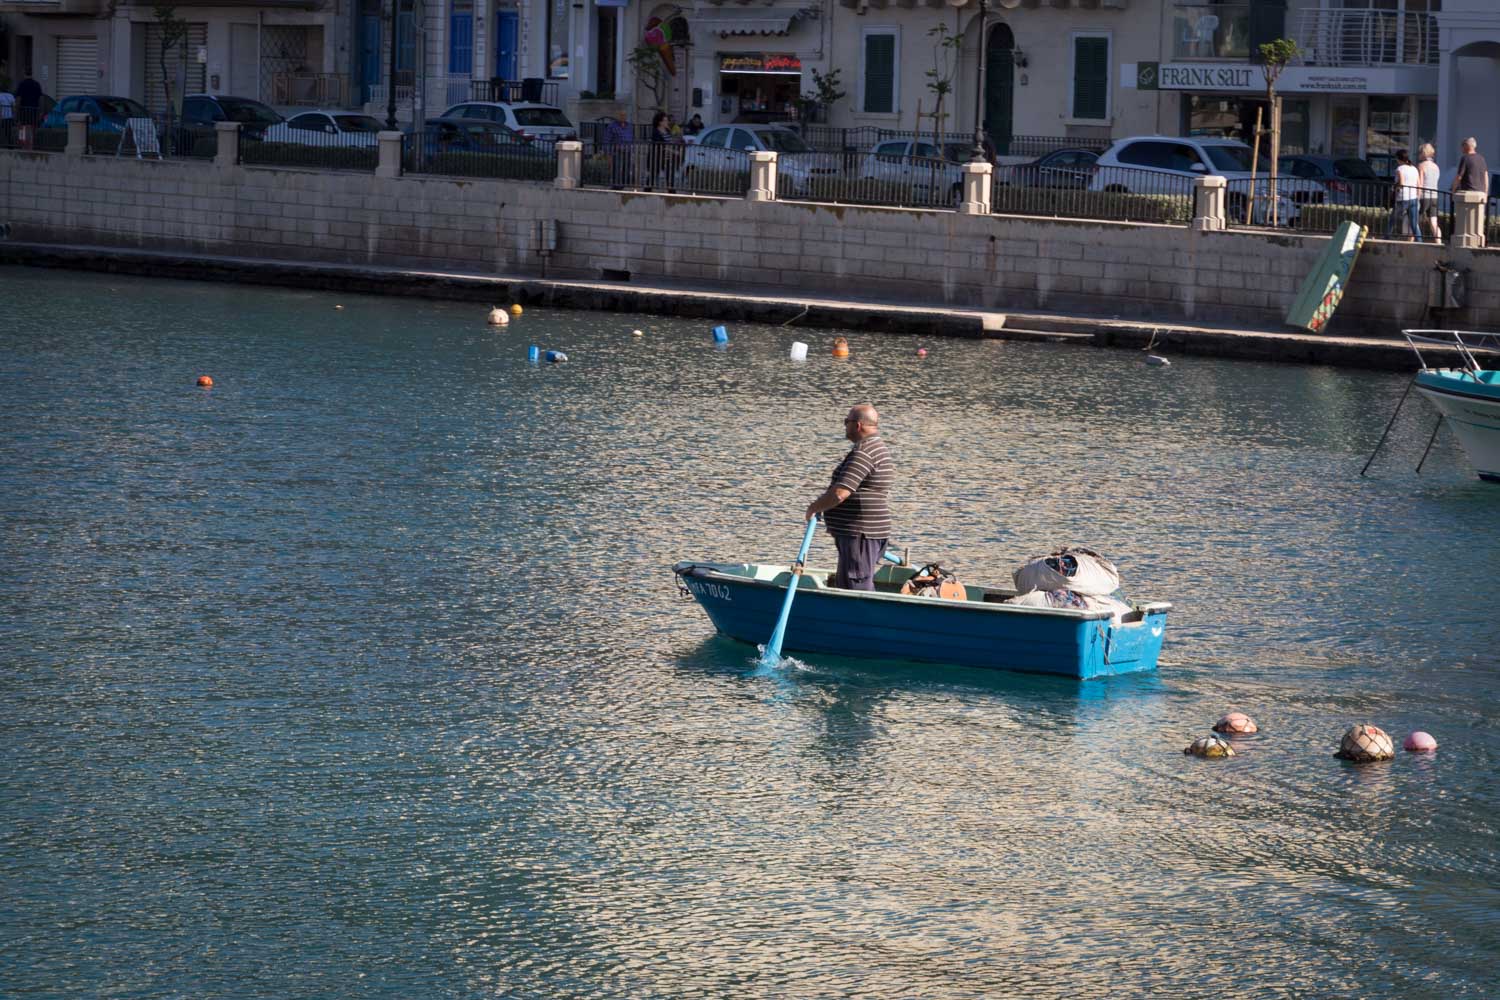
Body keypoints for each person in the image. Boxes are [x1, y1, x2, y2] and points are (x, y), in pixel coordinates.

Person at [804, 404, 894, 592]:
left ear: (858, 425)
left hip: (860, 532)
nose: (845, 425)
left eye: (847, 422)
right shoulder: (877, 447)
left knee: (856, 585)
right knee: (849, 583)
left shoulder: (864, 452)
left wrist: (814, 507)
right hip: (864, 531)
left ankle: (865, 620)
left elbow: (840, 493)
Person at [1452, 136, 1491, 227]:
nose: (1461, 148)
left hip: (1468, 193)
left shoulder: (1465, 158)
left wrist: (1453, 190)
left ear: (1466, 146)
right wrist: (1485, 193)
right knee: (1477, 223)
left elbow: (1459, 177)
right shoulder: (1481, 159)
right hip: (1480, 194)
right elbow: (1486, 176)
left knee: (1466, 224)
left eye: (1462, 146)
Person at [1387, 149, 1422, 243]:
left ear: (1399, 159)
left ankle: (1387, 237)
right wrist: (1418, 196)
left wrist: (1394, 188)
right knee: (1414, 222)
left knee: (1392, 219)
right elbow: (1419, 184)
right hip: (1413, 197)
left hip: (1403, 198)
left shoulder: (1399, 169)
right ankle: (1420, 241)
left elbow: (1401, 183)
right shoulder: (1414, 168)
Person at [1417, 143, 1442, 243]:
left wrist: (1417, 197)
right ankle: (1439, 242)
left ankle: (1414, 240)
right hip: (1434, 196)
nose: (1418, 154)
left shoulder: (1421, 166)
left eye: (1420, 152)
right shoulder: (1436, 167)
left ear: (1423, 153)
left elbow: (1420, 183)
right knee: (1433, 222)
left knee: (1414, 220)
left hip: (1424, 196)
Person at [604, 108, 633, 188]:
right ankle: (615, 186)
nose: (623, 117)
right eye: (621, 115)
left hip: (627, 151)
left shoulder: (629, 126)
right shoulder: (612, 126)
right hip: (616, 152)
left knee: (626, 170)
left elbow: (631, 138)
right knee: (616, 170)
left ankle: (622, 186)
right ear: (617, 116)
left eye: (624, 115)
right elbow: (607, 140)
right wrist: (608, 154)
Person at [15, 73, 42, 150]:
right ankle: (31, 146)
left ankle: (23, 145)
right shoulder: (37, 84)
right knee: (32, 128)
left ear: (24, 73)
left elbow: (19, 99)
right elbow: (41, 98)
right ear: (32, 74)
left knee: (22, 128)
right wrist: (40, 111)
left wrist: (17, 110)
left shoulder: (21, 84)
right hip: (34, 110)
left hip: (23, 110)